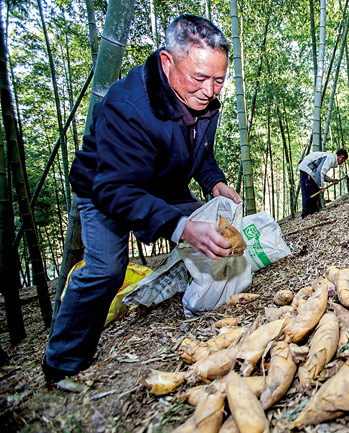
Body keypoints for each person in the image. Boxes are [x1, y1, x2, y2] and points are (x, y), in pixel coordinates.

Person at [42, 15, 240, 386]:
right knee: (105, 270)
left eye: (219, 79)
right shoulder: (128, 105)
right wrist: (182, 228)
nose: (211, 90)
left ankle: (192, 290)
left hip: (163, 182)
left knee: (214, 226)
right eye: (199, 78)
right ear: (167, 62)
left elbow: (201, 149)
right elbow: (116, 190)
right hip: (106, 188)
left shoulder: (204, 97)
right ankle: (62, 363)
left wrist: (214, 183)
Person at [298, 149, 348, 218]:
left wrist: (330, 180)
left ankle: (313, 213)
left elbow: (319, 171)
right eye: (343, 160)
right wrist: (321, 187)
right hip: (306, 170)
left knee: (314, 191)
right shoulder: (331, 158)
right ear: (341, 157)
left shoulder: (330, 157)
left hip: (310, 172)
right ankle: (305, 215)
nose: (342, 162)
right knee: (308, 193)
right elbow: (320, 171)